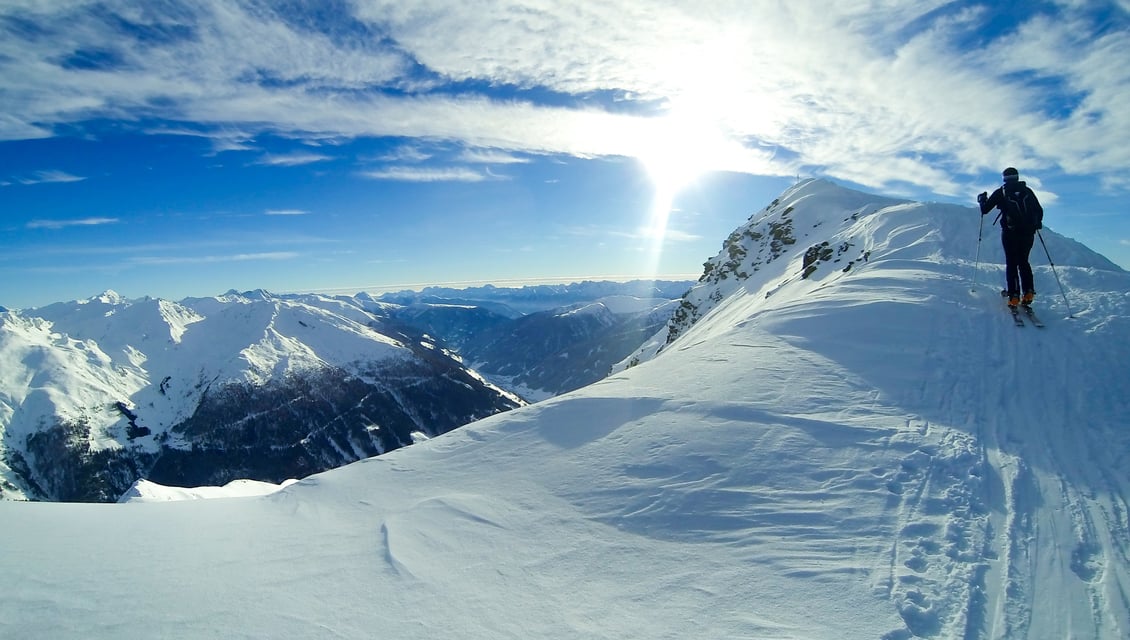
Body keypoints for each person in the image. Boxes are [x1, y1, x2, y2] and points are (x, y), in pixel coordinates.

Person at [978, 167, 1044, 308]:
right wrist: (1036, 224)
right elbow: (1039, 210)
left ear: (1004, 178)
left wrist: (982, 200)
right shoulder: (1027, 191)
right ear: (1017, 177)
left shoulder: (1002, 192)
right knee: (1024, 262)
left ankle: (1013, 295)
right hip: (1028, 233)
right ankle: (1028, 292)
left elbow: (985, 210)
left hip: (1010, 232)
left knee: (1012, 262)